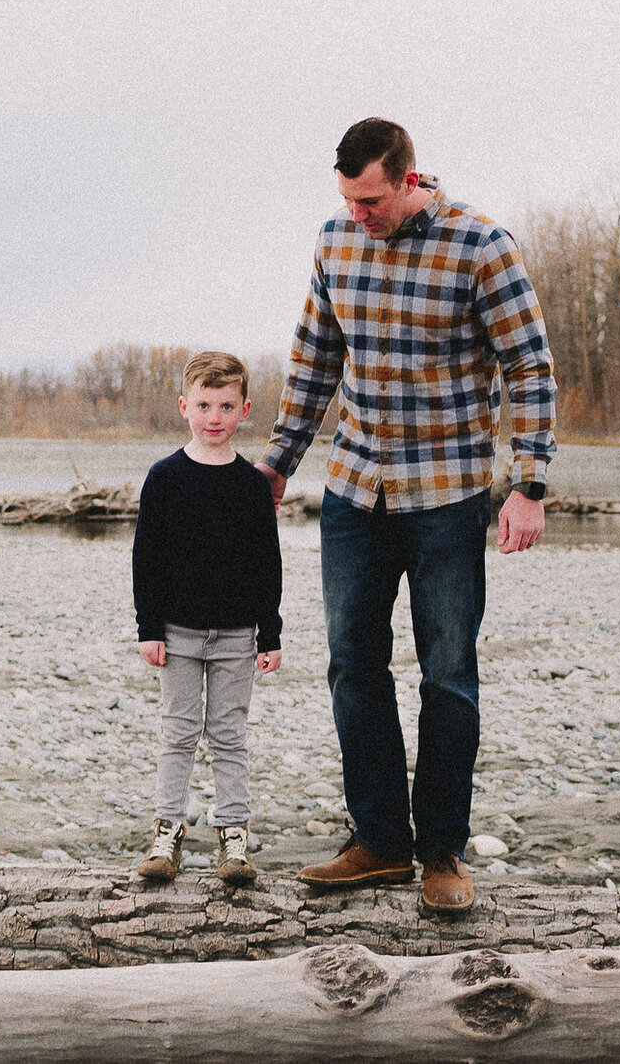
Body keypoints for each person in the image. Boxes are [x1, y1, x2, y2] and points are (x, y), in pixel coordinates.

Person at [255, 118, 554, 916]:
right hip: (356, 489)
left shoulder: (481, 244)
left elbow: (528, 364)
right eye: (350, 199)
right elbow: (316, 360)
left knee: (448, 671)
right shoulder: (333, 244)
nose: (362, 213)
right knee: (354, 662)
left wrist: (528, 482)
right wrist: (278, 462)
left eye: (374, 198)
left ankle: (443, 850)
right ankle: (380, 840)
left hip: (448, 493)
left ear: (410, 177)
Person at [130, 350, 284, 886]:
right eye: (203, 405)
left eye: (225, 405)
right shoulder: (165, 477)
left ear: (244, 410)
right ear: (183, 407)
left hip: (238, 635)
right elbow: (146, 557)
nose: (213, 417)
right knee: (177, 731)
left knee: (228, 734)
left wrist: (271, 632)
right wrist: (148, 628)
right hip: (178, 632)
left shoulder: (250, 484)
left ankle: (233, 840)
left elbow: (268, 562)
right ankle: (166, 834)